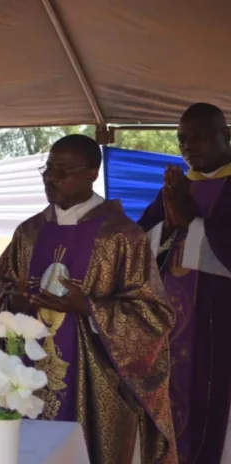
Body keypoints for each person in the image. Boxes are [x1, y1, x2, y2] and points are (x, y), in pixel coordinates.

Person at [0, 134, 177, 464]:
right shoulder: (29, 233)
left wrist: (90, 308)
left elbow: (154, 316)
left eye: (62, 170)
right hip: (29, 377)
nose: (51, 178)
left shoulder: (122, 236)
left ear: (92, 174)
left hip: (98, 385)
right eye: (48, 169)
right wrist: (13, 303)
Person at [138, 102, 231, 464]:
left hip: (219, 321)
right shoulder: (178, 186)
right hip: (171, 327)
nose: (189, 146)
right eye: (181, 140)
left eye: (199, 137)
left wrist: (193, 222)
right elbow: (141, 241)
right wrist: (172, 224)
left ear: (225, 134)